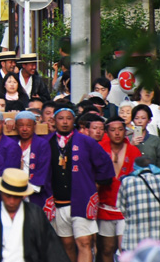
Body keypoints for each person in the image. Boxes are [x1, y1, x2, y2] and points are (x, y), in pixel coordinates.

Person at [46, 103, 114, 262]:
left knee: (84, 242)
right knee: (67, 244)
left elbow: (105, 164)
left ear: (74, 120)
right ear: (53, 120)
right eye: (60, 118)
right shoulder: (47, 142)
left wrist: (95, 186)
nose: (64, 122)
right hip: (57, 201)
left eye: (68, 119)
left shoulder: (85, 141)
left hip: (82, 199)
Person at [0, 168, 70, 262]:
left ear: (23, 196)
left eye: (16, 197)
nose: (11, 201)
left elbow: (52, 251)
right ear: (1, 193)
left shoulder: (35, 215)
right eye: (8, 196)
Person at [96, 116, 142, 262]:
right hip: (105, 206)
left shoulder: (134, 151)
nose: (117, 133)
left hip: (126, 208)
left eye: (120, 130)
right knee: (107, 248)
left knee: (125, 248)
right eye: (113, 130)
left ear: (125, 131)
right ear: (107, 132)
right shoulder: (100, 150)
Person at [117, 156, 160, 252]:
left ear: (135, 167)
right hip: (159, 244)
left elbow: (122, 209)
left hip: (134, 243)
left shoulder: (127, 182)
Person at [10, 110, 51, 208]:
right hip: (13, 191)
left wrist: (26, 191)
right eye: (21, 125)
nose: (24, 129)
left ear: (34, 125)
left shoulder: (42, 144)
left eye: (28, 126)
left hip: (35, 192)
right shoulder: (12, 143)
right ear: (16, 126)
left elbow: (43, 169)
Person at [130, 104, 160, 171]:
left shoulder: (155, 140)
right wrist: (131, 145)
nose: (139, 121)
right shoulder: (127, 140)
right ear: (133, 121)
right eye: (136, 118)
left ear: (149, 120)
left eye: (143, 118)